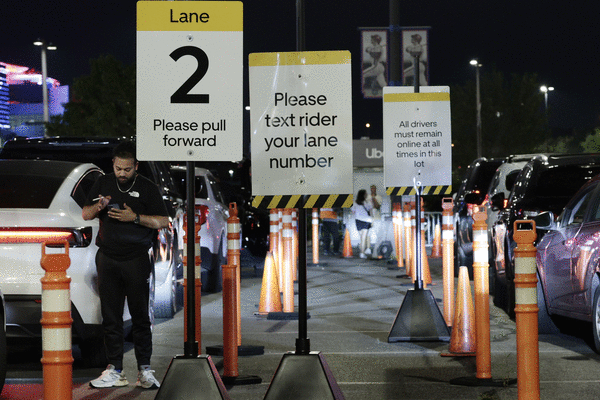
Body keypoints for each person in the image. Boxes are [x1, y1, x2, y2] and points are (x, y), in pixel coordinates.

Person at [83, 140, 169, 390]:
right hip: (108, 257)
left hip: (136, 258)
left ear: (136, 167)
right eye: (118, 168)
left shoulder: (147, 187)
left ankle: (144, 370)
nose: (122, 173)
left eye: (127, 169)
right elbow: (86, 214)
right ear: (113, 164)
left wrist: (136, 218)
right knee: (111, 317)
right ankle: (114, 370)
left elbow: (163, 221)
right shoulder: (103, 182)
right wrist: (99, 206)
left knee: (140, 316)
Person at [352, 189, 373, 259]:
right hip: (366, 221)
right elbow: (371, 212)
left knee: (362, 238)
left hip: (358, 221)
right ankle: (362, 253)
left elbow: (353, 211)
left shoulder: (355, 203)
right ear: (363, 195)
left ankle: (362, 252)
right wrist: (372, 221)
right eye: (366, 193)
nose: (367, 194)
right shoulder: (367, 203)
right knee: (363, 238)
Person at [365, 185, 383, 255]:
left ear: (375, 189)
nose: (373, 190)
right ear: (370, 189)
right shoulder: (367, 197)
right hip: (369, 218)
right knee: (368, 234)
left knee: (378, 233)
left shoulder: (379, 197)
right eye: (371, 189)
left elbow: (377, 206)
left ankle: (378, 248)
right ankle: (368, 248)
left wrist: (373, 198)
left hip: (377, 219)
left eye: (374, 189)